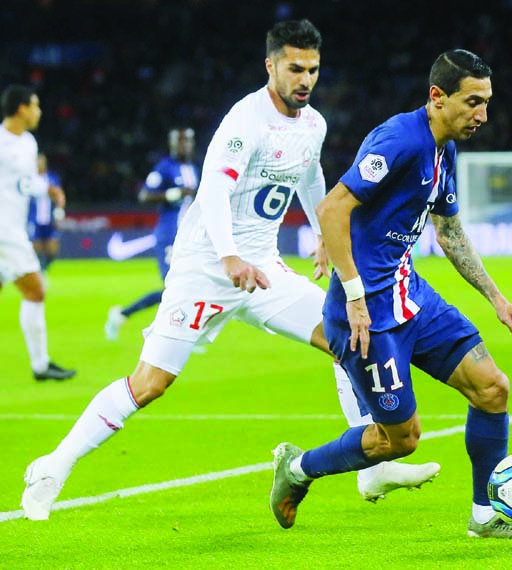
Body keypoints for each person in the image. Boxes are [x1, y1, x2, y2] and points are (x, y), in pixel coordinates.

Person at [20, 19, 439, 522]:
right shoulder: (245, 120)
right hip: (207, 268)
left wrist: (324, 238)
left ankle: (370, 468)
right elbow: (214, 191)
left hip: (263, 270)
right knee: (149, 383)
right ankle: (53, 468)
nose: (305, 79)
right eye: (294, 68)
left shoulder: (313, 124)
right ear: (271, 66)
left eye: (313, 69)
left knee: (344, 338)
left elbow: (311, 176)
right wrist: (228, 257)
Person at [268, 49, 512, 540]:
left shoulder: (446, 148)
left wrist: (498, 301)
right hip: (366, 318)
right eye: (473, 102)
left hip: (410, 297)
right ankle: (298, 469)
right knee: (400, 441)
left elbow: (449, 233)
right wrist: (355, 297)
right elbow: (334, 210)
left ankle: (485, 516)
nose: (482, 115)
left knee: (492, 388)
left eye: (486, 103)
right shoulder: (398, 140)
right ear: (437, 97)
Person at [0, 85, 75, 381]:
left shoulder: (29, 143)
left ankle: (41, 366)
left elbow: (27, 184)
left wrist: (50, 189)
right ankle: (41, 366)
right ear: (21, 108)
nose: (39, 111)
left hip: (13, 228)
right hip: (5, 232)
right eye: (35, 105)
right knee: (36, 289)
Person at [104, 128, 200, 340]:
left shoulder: (194, 168)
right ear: (172, 144)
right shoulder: (164, 168)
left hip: (191, 237)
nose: (184, 145)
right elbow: (145, 195)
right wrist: (173, 193)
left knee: (191, 285)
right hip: (169, 234)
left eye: (188, 141)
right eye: (180, 141)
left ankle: (184, 333)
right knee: (173, 288)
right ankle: (125, 316)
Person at [27, 153, 66, 272]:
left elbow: (59, 195)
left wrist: (59, 211)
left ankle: (45, 266)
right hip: (33, 218)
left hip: (50, 218)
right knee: (35, 245)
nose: (38, 164)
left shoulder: (52, 178)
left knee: (52, 246)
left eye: (41, 161)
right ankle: (38, 267)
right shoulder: (29, 178)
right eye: (37, 161)